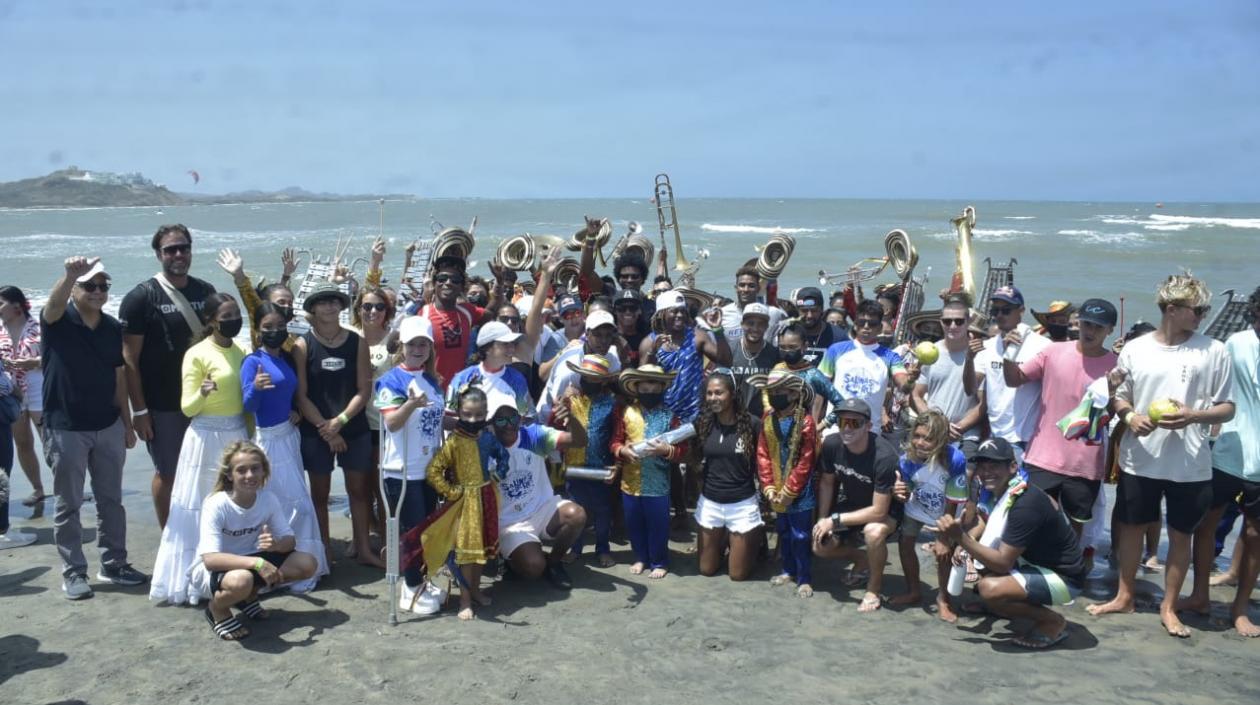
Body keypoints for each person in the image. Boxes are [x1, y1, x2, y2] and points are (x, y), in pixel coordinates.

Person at [1089, 274, 1234, 638]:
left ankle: (1169, 606)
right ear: (1172, 309)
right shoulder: (1136, 349)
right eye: (1197, 309)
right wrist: (1130, 417)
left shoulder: (1214, 350)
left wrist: (1193, 416)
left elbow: (1227, 407)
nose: (1202, 315)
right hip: (1140, 457)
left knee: (1181, 534)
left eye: (1204, 310)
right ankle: (1124, 595)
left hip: (1191, 463)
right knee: (1131, 528)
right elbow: (1118, 396)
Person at [38, 258, 144, 595]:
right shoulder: (57, 320)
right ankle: (73, 572)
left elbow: (118, 376)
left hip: (108, 425)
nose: (98, 292)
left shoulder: (112, 327)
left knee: (110, 499)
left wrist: (126, 423)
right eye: (90, 286)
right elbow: (53, 304)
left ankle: (114, 564)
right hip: (65, 427)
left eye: (103, 286)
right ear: (75, 290)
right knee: (68, 503)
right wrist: (70, 275)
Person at [936, 438, 1087, 649]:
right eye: (982, 466)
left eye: (994, 466)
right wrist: (965, 543)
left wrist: (961, 537)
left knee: (989, 588)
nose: (986, 472)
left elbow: (1002, 563)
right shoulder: (1000, 491)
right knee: (978, 562)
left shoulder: (1025, 503)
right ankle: (1000, 606)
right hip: (1032, 562)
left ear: (1013, 467)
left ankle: (1052, 622)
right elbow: (985, 520)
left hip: (1064, 579)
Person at [150, 291, 249, 605]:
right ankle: (196, 579)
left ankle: (236, 578)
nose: (233, 320)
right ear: (211, 320)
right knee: (201, 505)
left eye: (236, 315)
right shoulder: (197, 353)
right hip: (206, 437)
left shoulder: (242, 350)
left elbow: (246, 400)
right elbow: (188, 408)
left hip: (236, 433)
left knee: (233, 505)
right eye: (226, 316)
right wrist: (203, 392)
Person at [120, 224, 217, 529]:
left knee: (209, 471)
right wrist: (140, 411)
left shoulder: (206, 291)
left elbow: (220, 343)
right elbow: (129, 359)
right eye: (170, 249)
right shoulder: (141, 298)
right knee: (170, 473)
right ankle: (169, 538)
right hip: (164, 405)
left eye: (183, 247)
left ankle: (205, 533)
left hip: (207, 399)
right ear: (158, 254)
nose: (178, 254)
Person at [1002, 298, 1117, 542]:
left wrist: (1112, 393)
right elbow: (1014, 380)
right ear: (1078, 323)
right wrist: (1008, 355)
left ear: (1110, 330)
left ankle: (1072, 564)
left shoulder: (1115, 366)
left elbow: (1109, 417)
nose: (1090, 331)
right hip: (1042, 457)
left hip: (1085, 464)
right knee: (1031, 519)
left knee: (1074, 529)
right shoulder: (1053, 351)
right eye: (1087, 324)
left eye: (1098, 327)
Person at [1185, 285, 1260, 637]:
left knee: (1255, 533)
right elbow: (1215, 391)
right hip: (1228, 449)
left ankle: (1240, 607)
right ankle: (1199, 594)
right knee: (1207, 523)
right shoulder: (1236, 343)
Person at [240, 301, 327, 592]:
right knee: (287, 505)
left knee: (297, 502)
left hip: (289, 435)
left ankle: (302, 565)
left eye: (280, 326)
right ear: (257, 329)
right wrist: (256, 388)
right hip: (268, 440)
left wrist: (296, 411)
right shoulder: (252, 362)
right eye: (268, 327)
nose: (275, 331)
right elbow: (248, 406)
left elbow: (292, 393)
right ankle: (280, 569)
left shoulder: (287, 358)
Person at [191, 441, 319, 641]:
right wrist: (257, 563)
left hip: (250, 561)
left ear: (264, 471)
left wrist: (276, 545)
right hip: (215, 570)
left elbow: (290, 541)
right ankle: (217, 609)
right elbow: (211, 560)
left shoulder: (268, 499)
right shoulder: (216, 504)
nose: (250, 475)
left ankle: (247, 597)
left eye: (255, 468)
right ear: (229, 475)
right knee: (241, 580)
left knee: (307, 563)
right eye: (241, 470)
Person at [293, 282, 380, 569]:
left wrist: (340, 421)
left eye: (334, 301)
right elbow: (301, 395)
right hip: (316, 429)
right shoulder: (302, 345)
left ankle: (363, 549)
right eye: (322, 302)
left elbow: (364, 390)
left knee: (359, 490)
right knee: (320, 495)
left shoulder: (357, 342)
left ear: (342, 306)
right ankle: (324, 551)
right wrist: (326, 429)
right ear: (313, 308)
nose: (329, 306)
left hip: (352, 426)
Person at [403, 387, 503, 620]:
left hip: (486, 497)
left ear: (486, 413)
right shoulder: (454, 442)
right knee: (466, 553)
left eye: (479, 415)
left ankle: (475, 591)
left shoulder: (488, 438)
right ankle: (464, 600)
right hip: (465, 504)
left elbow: (503, 457)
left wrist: (497, 475)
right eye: (467, 414)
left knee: (481, 550)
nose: (473, 420)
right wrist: (452, 491)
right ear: (458, 413)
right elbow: (434, 470)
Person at [375, 315, 447, 614]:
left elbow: (439, 419)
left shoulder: (432, 380)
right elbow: (391, 423)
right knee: (411, 531)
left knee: (426, 530)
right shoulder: (391, 380)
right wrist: (410, 404)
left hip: (429, 467)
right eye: (412, 344)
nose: (418, 350)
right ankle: (410, 587)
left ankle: (422, 581)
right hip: (401, 470)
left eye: (423, 344)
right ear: (401, 346)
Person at [490, 390, 585, 589]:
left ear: (520, 418)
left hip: (542, 508)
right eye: (500, 420)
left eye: (512, 418)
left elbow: (580, 441)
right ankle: (510, 561)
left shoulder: (534, 435)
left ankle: (554, 563)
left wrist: (571, 419)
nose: (508, 425)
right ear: (490, 422)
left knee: (576, 515)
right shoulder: (484, 446)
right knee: (533, 568)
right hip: (509, 522)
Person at [812, 399, 900, 612]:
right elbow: (827, 483)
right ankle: (862, 559)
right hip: (853, 504)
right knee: (819, 545)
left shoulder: (884, 456)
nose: (847, 428)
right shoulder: (831, 444)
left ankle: (873, 590)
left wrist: (834, 520)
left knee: (873, 532)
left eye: (855, 423)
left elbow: (879, 511)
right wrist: (822, 519)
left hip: (887, 510)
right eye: (843, 422)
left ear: (868, 426)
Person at [611, 365, 688, 579]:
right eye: (645, 388)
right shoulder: (626, 413)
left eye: (655, 388)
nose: (650, 392)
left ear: (662, 388)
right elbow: (615, 441)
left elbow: (682, 449)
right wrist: (622, 450)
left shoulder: (670, 416)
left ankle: (659, 561)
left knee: (658, 525)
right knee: (634, 523)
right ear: (636, 388)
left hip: (658, 483)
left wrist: (667, 450)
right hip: (630, 482)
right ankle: (640, 557)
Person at [892, 409, 968, 622]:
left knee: (943, 554)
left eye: (928, 438)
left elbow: (953, 500)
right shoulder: (906, 460)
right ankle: (913, 591)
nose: (920, 443)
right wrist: (899, 492)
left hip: (946, 511)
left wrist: (943, 537)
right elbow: (906, 494)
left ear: (941, 440)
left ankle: (943, 599)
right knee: (905, 543)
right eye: (916, 436)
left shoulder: (955, 459)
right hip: (917, 508)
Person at [965, 286, 1052, 462]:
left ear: (1021, 311)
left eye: (1006, 310)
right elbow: (970, 389)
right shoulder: (988, 346)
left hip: (1029, 437)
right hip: (996, 435)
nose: (999, 315)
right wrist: (968, 359)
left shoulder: (1043, 346)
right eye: (995, 311)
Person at [753, 370, 819, 597]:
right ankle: (788, 570)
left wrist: (791, 490)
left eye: (779, 391)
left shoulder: (806, 422)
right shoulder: (768, 420)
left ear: (793, 394)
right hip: (776, 487)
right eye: (771, 391)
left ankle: (804, 577)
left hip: (799, 491)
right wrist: (768, 485)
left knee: (801, 535)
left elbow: (806, 460)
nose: (774, 395)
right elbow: (762, 454)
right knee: (784, 531)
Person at [693, 372, 763, 581]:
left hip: (741, 503)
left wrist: (766, 493)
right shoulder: (702, 423)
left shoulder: (752, 424)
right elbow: (691, 457)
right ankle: (723, 538)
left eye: (719, 393)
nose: (713, 398)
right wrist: (667, 450)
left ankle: (753, 536)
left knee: (737, 575)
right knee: (706, 569)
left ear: (732, 394)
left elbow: (763, 463)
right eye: (709, 393)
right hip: (710, 502)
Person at [561, 354, 620, 567]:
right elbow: (555, 426)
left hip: (600, 466)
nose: (589, 381)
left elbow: (617, 435)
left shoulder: (612, 404)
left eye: (595, 378)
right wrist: (563, 401)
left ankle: (602, 549)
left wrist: (617, 465)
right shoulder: (571, 400)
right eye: (586, 377)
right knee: (576, 508)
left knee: (603, 510)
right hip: (574, 466)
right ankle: (575, 548)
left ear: (603, 381)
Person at [419, 254, 506, 388]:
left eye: (455, 280)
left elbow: (491, 311)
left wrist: (499, 282)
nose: (448, 282)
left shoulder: (466, 312)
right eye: (442, 278)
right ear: (434, 284)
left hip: (460, 390)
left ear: (461, 286)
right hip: (431, 390)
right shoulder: (423, 315)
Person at [819, 299, 907, 431]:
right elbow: (820, 389)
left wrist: (911, 379)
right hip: (836, 428)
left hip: (870, 430)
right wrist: (815, 422)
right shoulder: (835, 350)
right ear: (855, 325)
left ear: (880, 328)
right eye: (861, 322)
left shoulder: (890, 357)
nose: (866, 327)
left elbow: (904, 385)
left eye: (872, 324)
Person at [912, 294, 982, 456]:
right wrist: (937, 425)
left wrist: (958, 428)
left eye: (959, 321)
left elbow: (983, 404)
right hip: (931, 435)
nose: (953, 326)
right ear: (941, 322)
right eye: (947, 321)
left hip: (965, 436)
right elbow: (916, 395)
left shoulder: (980, 354)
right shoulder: (929, 352)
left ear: (968, 322)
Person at [0, 285, 47, 507]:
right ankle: (38, 489)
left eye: (1, 303)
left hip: (39, 388)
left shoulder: (39, 327)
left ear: (17, 305)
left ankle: (66, 487)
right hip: (12, 393)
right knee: (22, 442)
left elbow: (57, 357)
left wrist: (34, 363)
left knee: (50, 442)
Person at [446, 321, 534, 420]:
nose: (512, 348)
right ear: (488, 349)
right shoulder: (462, 378)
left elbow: (527, 417)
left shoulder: (517, 379)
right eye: (505, 344)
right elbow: (449, 416)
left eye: (512, 343)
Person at [729, 303, 780, 416]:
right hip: (735, 417)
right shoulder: (730, 350)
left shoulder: (775, 354)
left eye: (761, 324)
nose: (755, 329)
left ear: (767, 326)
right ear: (742, 324)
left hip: (764, 419)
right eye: (750, 323)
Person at [719, 264, 787, 343]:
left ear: (758, 288)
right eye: (742, 285)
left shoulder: (774, 313)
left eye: (751, 286)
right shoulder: (722, 314)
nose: (746, 290)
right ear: (736, 288)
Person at [792, 286, 848, 368]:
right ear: (797, 311)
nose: (809, 315)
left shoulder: (839, 337)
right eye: (804, 311)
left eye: (814, 310)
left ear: (821, 309)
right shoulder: (790, 335)